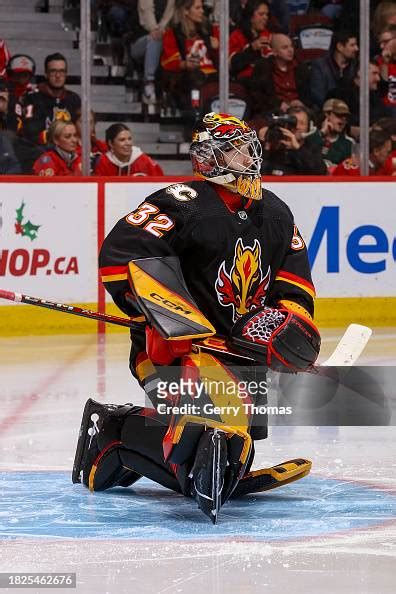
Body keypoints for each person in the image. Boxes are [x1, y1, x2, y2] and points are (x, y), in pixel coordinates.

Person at [73, 111, 320, 523]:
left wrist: (282, 329)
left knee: (230, 449)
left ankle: (144, 440)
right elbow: (121, 255)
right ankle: (113, 433)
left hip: (238, 357)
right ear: (210, 158)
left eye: (248, 150)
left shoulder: (276, 213)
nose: (249, 159)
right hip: (171, 351)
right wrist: (177, 320)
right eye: (237, 151)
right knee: (197, 446)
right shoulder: (179, 203)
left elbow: (294, 285)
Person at [160, 0, 218, 117]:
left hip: (213, 74)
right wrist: (185, 64)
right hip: (189, 77)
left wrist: (217, 48)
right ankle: (196, 118)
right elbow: (168, 62)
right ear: (186, 11)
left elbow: (220, 60)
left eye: (202, 7)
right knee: (195, 79)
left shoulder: (209, 30)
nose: (202, 11)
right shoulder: (174, 32)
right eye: (197, 8)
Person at [22, 52, 81, 145]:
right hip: (42, 150)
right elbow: (30, 132)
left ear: (66, 74)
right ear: (46, 74)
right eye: (53, 71)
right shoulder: (32, 98)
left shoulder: (74, 99)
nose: (58, 76)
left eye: (62, 71)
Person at [249, 32, 312, 116]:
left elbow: (309, 93)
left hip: (299, 111)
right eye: (285, 47)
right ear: (274, 52)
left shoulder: (301, 68)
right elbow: (257, 96)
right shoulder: (263, 67)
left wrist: (301, 102)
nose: (290, 50)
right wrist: (278, 104)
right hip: (273, 112)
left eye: (291, 46)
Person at [128, 0, 175, 104]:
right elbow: (142, 20)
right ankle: (148, 82)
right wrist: (154, 29)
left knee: (161, 40)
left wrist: (161, 30)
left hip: (164, 41)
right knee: (154, 39)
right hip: (139, 43)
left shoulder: (173, 3)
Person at [258, 106, 327, 175]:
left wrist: (298, 149)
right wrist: (264, 144)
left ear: (308, 128)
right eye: (293, 122)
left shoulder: (312, 148)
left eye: (302, 123)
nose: (297, 127)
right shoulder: (274, 144)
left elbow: (320, 173)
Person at [309, 30, 359, 109]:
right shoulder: (320, 65)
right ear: (339, 46)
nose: (357, 48)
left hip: (351, 111)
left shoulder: (356, 65)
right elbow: (317, 95)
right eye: (352, 45)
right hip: (326, 111)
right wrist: (336, 110)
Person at [229, 0, 273, 86]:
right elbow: (232, 65)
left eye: (266, 14)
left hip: (271, 78)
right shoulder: (237, 35)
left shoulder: (269, 34)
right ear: (250, 16)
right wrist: (252, 49)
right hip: (248, 80)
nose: (265, 17)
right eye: (261, 14)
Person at [94, 123, 164, 176]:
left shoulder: (144, 161)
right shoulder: (103, 162)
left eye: (129, 139)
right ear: (111, 143)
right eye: (122, 140)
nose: (128, 143)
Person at [304, 98, 355, 171]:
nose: (343, 120)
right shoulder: (310, 136)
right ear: (326, 115)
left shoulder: (348, 143)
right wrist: (321, 133)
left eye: (346, 117)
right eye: (339, 115)